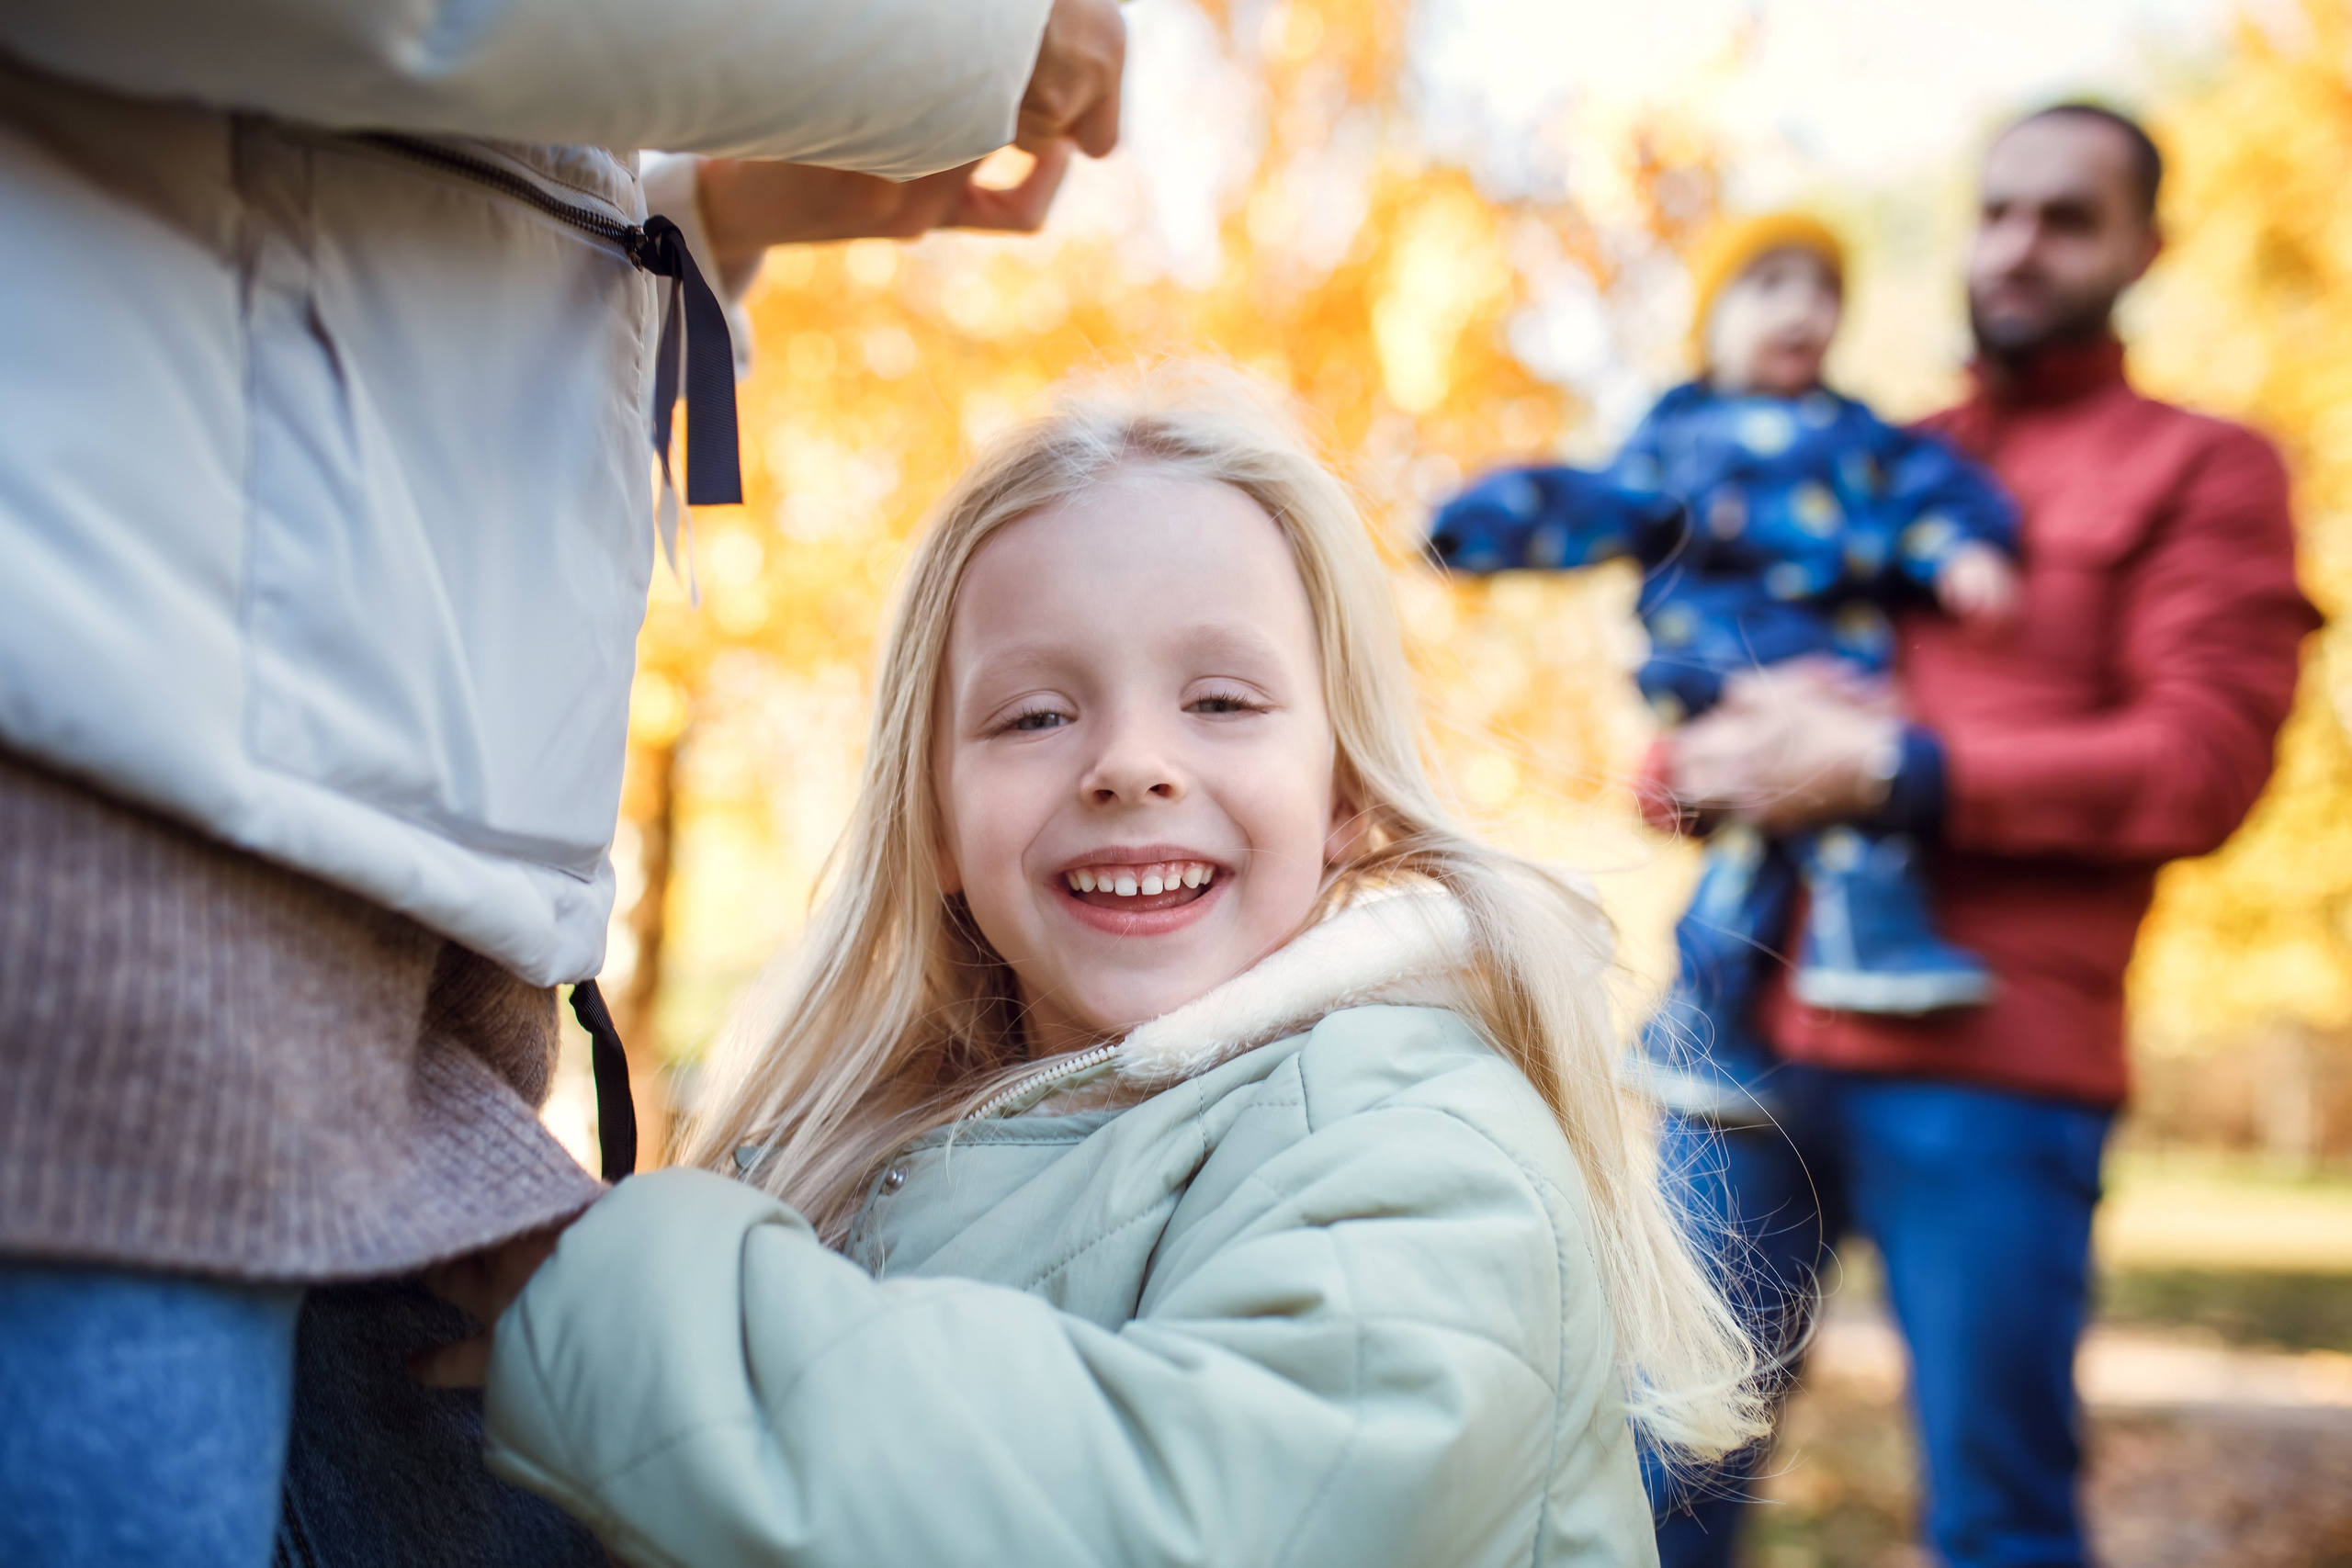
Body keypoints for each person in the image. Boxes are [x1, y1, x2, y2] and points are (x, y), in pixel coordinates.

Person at [0, 4, 1125, 1563]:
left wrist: (697, 215)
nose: (1132, 766)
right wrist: (956, 35)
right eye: (1036, 715)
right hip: (112, 906)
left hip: (346, 962)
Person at [408, 370, 1766, 1565]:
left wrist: (620, 1307)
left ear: (1346, 791)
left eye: (1221, 701)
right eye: (1036, 712)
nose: (1131, 762)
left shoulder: (1425, 1135)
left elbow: (1184, 1522)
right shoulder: (857, 1151)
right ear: (934, 817)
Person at [1646, 104, 2319, 1568]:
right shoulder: (1873, 452)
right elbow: (1700, 707)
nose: (2019, 245)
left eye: (2067, 217)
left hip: (1996, 1074)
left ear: (2150, 245)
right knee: (1652, 1486)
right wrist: (1696, 754)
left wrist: (1897, 766)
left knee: (1998, 1515)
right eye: (1997, 210)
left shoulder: (2208, 471)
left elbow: (2198, 762)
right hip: (1742, 1041)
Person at [1428, 212, 2019, 1128]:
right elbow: (1589, 504)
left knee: (1776, 841)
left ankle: (1710, 1020)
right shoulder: (1681, 437)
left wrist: (1959, 547)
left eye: (1823, 292)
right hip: (1718, 665)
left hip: (1835, 673)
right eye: (1770, 285)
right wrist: (1482, 528)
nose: (1802, 310)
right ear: (1710, 318)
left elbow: (1931, 493)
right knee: (1828, 818)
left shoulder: (1858, 436)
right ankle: (1839, 949)